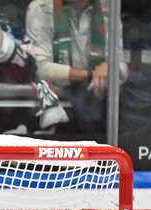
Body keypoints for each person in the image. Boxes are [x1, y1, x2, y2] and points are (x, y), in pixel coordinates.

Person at [24, 0, 128, 135]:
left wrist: (109, 66)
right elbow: (41, 68)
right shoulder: (41, 8)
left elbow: (121, 65)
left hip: (98, 109)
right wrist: (92, 74)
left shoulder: (109, 7)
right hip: (57, 108)